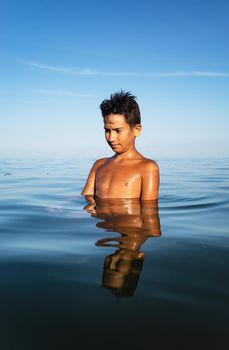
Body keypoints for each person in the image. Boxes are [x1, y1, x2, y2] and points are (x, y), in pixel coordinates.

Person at [81, 90, 159, 200]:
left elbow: (149, 211)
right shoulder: (99, 165)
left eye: (118, 130)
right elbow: (87, 200)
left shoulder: (147, 168)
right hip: (100, 217)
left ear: (136, 130)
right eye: (107, 130)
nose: (111, 138)